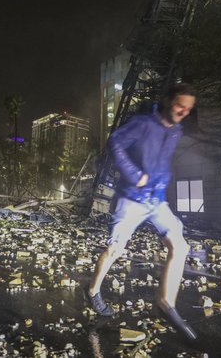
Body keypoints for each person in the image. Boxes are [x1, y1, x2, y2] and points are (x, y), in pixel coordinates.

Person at [84, 82, 197, 340]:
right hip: (132, 197)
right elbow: (115, 142)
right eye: (180, 105)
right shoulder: (143, 123)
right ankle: (91, 291)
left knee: (179, 246)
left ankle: (166, 304)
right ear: (169, 101)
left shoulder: (176, 131)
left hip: (157, 201)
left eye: (189, 108)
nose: (183, 112)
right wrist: (135, 175)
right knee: (115, 249)